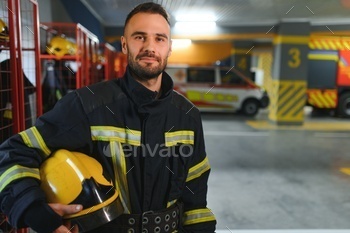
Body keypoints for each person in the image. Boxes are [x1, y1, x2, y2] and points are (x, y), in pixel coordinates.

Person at [0, 2, 216, 233]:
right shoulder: (88, 105)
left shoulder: (187, 116)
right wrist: (37, 213)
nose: (150, 47)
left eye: (159, 38)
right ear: (124, 44)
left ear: (169, 47)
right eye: (139, 37)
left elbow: (195, 200)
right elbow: (14, 153)